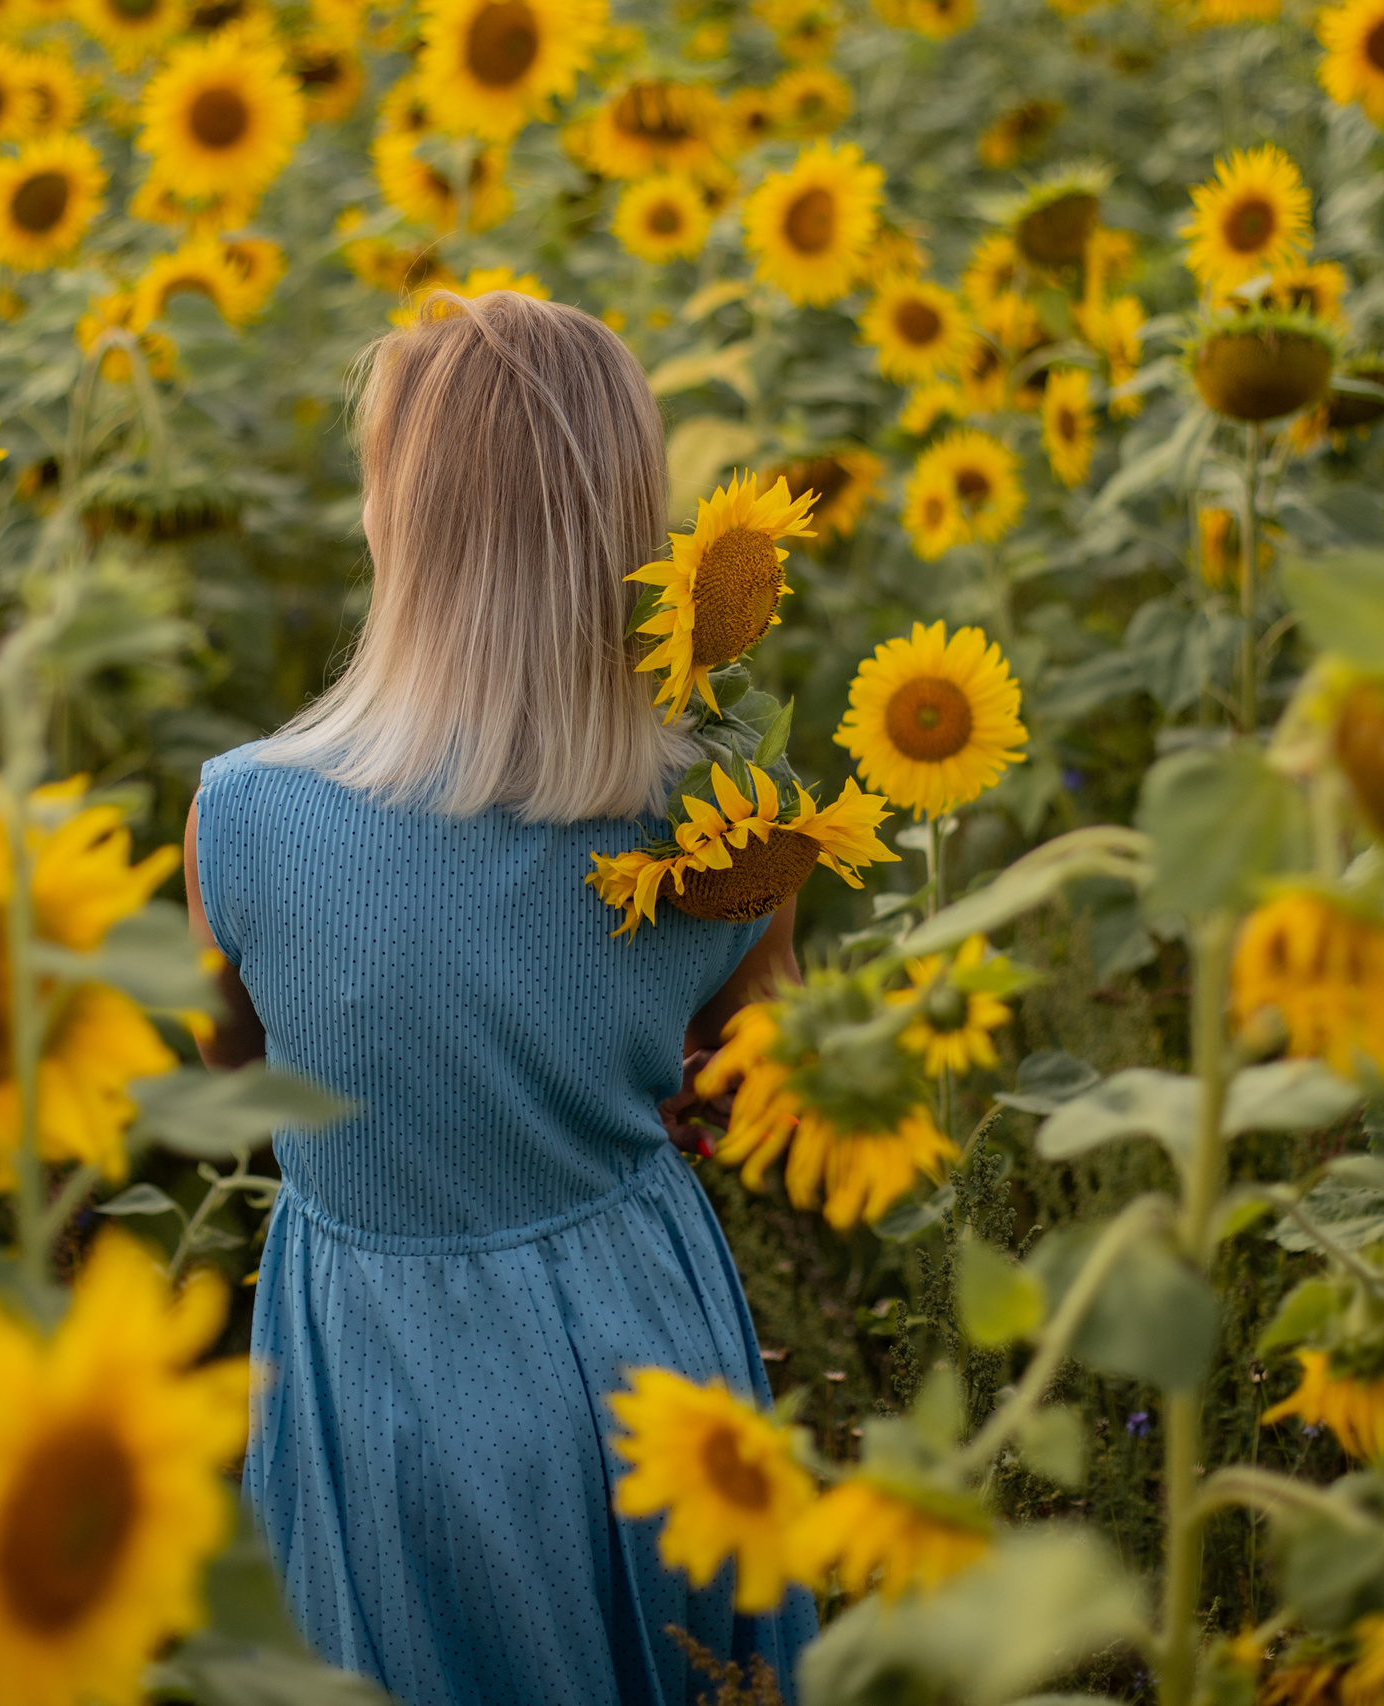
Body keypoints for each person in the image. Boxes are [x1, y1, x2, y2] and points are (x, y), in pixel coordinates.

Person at [183, 290, 815, 1705]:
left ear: (399, 524)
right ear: (633, 529)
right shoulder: (732, 825)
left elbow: (225, 1079)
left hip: (384, 1373)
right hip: (655, 1350)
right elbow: (764, 1064)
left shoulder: (245, 820)